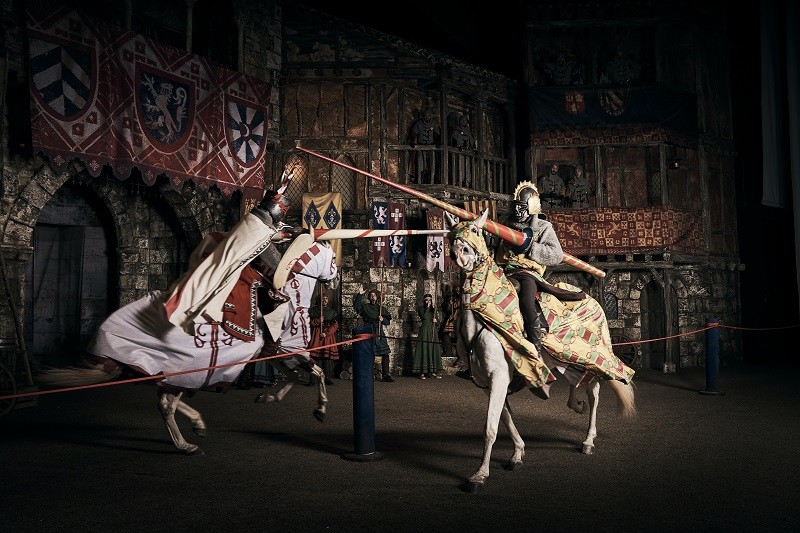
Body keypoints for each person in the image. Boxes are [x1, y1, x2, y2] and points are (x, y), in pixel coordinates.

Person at [495, 180, 587, 399]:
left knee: (527, 301)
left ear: (532, 207)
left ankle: (535, 350)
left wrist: (532, 248)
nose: (518, 210)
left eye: (522, 206)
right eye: (516, 205)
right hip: (504, 270)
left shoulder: (544, 227)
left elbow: (556, 255)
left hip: (527, 273)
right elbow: (494, 248)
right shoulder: (505, 222)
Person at [353, 284, 394, 382]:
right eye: (371, 295)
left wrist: (382, 319)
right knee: (369, 353)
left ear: (377, 297)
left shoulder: (381, 309)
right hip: (368, 330)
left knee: (385, 354)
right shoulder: (365, 307)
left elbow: (387, 322)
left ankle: (386, 375)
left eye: (374, 295)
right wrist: (360, 294)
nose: (372, 296)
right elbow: (356, 306)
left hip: (379, 331)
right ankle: (367, 374)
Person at [308, 291, 339, 386]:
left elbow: (335, 325)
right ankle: (312, 380)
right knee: (314, 358)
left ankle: (327, 379)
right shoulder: (313, 310)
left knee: (326, 358)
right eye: (323, 298)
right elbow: (308, 322)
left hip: (327, 336)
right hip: (316, 334)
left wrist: (326, 333)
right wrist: (317, 321)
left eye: (326, 298)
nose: (324, 300)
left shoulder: (332, 312)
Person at [412, 293, 442, 379]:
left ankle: (432, 371)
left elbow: (438, 323)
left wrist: (436, 321)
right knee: (424, 349)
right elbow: (424, 317)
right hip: (424, 331)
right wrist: (428, 307)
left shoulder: (434, 310)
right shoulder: (421, 309)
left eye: (430, 300)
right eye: (426, 300)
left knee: (432, 349)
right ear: (424, 301)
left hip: (433, 331)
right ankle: (422, 372)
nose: (428, 301)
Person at [407, 108, 440, 183]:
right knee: (420, 164)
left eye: (428, 115)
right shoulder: (419, 124)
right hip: (421, 147)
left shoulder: (434, 124)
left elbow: (437, 134)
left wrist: (438, 141)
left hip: (431, 147)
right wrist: (412, 141)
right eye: (425, 115)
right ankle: (419, 179)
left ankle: (431, 180)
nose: (427, 117)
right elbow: (413, 133)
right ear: (423, 116)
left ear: (430, 116)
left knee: (431, 164)